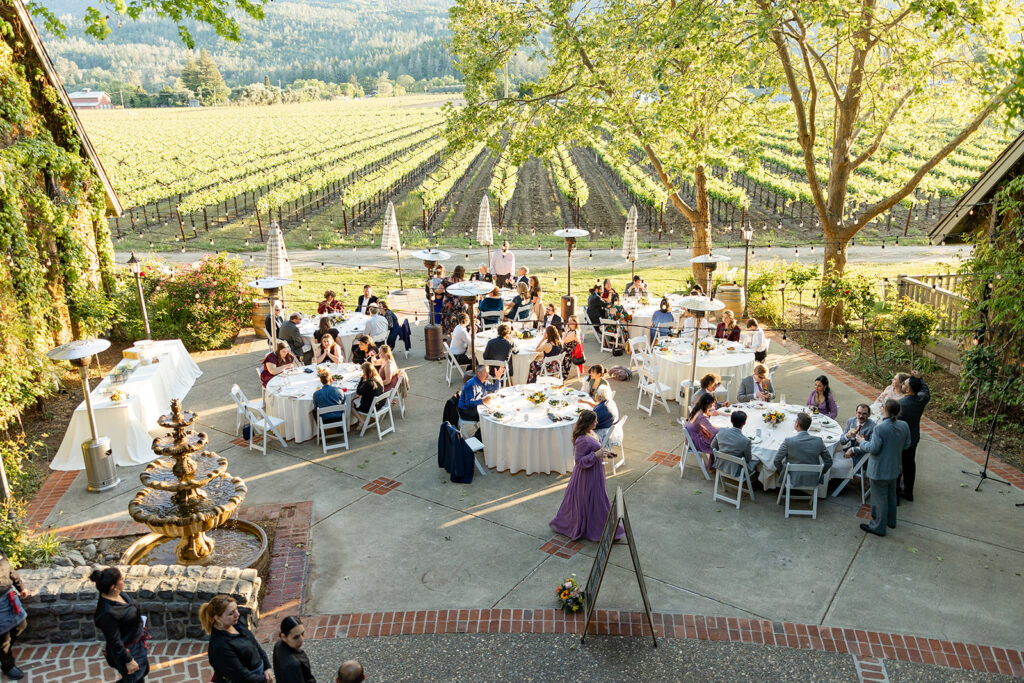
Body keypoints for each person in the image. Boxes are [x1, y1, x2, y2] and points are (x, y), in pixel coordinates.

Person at [549, 410, 624, 542]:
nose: (597, 422)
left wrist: (605, 453)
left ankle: (599, 525)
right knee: (593, 499)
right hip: (587, 476)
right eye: (594, 421)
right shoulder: (582, 440)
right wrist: (595, 455)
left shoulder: (591, 432)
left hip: (596, 471)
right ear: (588, 423)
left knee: (598, 499)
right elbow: (579, 461)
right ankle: (594, 528)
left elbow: (596, 449)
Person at [856, 400, 911, 536]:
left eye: (882, 407)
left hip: (879, 470)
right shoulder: (904, 425)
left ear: (885, 410)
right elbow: (907, 445)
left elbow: (873, 449)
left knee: (879, 499)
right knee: (891, 496)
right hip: (895, 468)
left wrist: (861, 442)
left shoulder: (880, 428)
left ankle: (878, 527)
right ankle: (891, 521)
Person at [92, 566, 148, 683]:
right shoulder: (107, 614)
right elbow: (115, 641)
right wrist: (128, 660)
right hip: (129, 652)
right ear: (113, 587)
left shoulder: (119, 594)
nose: (124, 580)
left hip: (137, 643)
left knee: (143, 671)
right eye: (121, 579)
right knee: (135, 679)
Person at [202, 594, 272, 682]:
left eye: (236, 609)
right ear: (217, 618)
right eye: (231, 613)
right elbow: (242, 676)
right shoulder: (220, 647)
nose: (237, 614)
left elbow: (255, 645)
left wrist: (267, 666)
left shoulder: (236, 624)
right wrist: (265, 679)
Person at [773, 412, 833, 488]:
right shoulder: (819, 441)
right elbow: (829, 462)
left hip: (793, 478)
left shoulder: (788, 441)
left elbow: (776, 460)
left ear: (796, 424)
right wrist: (820, 472)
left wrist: (784, 472)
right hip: (813, 478)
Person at [897, 372, 930, 502]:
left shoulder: (901, 404)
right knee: (910, 464)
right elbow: (926, 391)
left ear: (908, 389)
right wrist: (920, 379)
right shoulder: (921, 399)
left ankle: (896, 491)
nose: (902, 384)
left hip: (901, 440)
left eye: (904, 383)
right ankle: (908, 491)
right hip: (914, 438)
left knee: (898, 464)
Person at [0, 549, 28, 680]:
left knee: (21, 625)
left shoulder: (1, 555)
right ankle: (8, 665)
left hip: (9, 599)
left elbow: (11, 572)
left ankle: (3, 652)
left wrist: (21, 587)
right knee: (3, 638)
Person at [710, 410, 758, 480]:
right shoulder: (746, 441)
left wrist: (724, 450)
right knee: (758, 458)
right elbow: (748, 459)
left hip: (720, 464)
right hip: (736, 470)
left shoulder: (722, 431)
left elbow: (713, 446)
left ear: (731, 421)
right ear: (744, 423)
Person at [272, 616, 315, 683]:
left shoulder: (278, 644)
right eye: (296, 637)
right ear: (284, 637)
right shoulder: (293, 665)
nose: (301, 639)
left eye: (302, 634)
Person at [686, 393, 720, 467]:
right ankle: (712, 465)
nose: (712, 407)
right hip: (695, 441)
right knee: (715, 442)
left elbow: (710, 428)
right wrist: (725, 429)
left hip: (691, 438)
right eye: (711, 405)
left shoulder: (697, 409)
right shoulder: (702, 417)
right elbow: (714, 431)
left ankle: (712, 464)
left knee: (713, 437)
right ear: (706, 404)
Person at [351, 362, 384, 432]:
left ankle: (361, 421)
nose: (363, 373)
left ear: (366, 373)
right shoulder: (378, 379)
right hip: (379, 404)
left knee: (350, 404)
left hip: (370, 407)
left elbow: (358, 391)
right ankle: (362, 420)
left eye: (363, 372)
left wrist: (362, 379)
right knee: (357, 398)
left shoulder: (369, 383)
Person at [440, 265, 468, 334]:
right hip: (459, 304)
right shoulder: (463, 282)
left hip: (448, 304)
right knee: (460, 318)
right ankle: (459, 334)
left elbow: (438, 290)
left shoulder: (446, 280)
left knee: (449, 319)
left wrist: (445, 291)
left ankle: (451, 334)